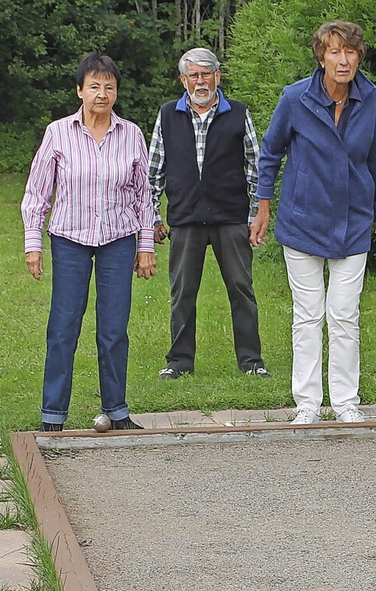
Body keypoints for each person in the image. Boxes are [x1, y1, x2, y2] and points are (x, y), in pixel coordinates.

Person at [250, 20, 376, 424]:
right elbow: (270, 153)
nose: (343, 60)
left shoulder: (371, 98)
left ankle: (347, 402)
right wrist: (262, 208)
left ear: (358, 56)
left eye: (350, 52)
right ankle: (308, 404)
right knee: (308, 314)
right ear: (321, 56)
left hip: (353, 223)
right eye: (335, 52)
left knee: (345, 316)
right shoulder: (295, 98)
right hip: (302, 223)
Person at [21, 52, 156, 432]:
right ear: (80, 90)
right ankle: (53, 415)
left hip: (118, 238)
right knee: (63, 326)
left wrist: (145, 246)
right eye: (94, 86)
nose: (102, 94)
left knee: (114, 328)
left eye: (109, 87)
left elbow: (143, 195)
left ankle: (117, 410)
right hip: (69, 238)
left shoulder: (131, 134)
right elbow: (37, 193)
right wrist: (34, 243)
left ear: (116, 92)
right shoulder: (58, 132)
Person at [149, 48, 269, 381]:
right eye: (193, 75)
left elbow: (255, 167)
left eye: (206, 74)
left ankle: (251, 361)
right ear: (183, 80)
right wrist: (153, 217)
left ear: (218, 76)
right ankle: (179, 361)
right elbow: (154, 171)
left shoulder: (238, 113)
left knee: (241, 289)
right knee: (182, 293)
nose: (200, 81)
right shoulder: (168, 114)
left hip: (231, 217)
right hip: (185, 218)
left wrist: (258, 212)